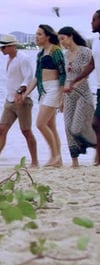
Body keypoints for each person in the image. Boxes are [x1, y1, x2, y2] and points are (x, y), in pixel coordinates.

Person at [0, 34, 38, 170]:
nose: (1, 50)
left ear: (11, 46)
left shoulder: (23, 58)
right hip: (9, 100)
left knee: (26, 131)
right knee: (1, 130)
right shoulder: (10, 59)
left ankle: (35, 162)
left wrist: (19, 92)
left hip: (23, 100)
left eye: (3, 47)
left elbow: (29, 78)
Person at [21, 24, 66, 168]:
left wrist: (61, 97)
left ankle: (55, 156)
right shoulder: (40, 54)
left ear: (47, 36)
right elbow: (37, 77)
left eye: (40, 34)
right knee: (51, 125)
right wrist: (26, 94)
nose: (37, 37)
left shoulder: (56, 51)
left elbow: (63, 74)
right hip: (44, 90)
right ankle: (57, 159)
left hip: (54, 88)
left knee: (40, 124)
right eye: (36, 34)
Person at [58, 26, 97, 167]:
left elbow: (88, 72)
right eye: (59, 39)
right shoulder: (65, 55)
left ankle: (96, 146)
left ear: (70, 36)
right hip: (68, 94)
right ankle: (75, 162)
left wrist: (75, 83)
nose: (61, 42)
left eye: (63, 38)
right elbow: (64, 77)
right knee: (68, 127)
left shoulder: (85, 52)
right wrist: (61, 99)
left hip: (83, 93)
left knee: (77, 128)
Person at [69, 10, 100, 165]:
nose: (91, 23)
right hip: (99, 89)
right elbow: (92, 64)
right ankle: (98, 160)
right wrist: (76, 79)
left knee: (95, 123)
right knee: (96, 124)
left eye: (94, 19)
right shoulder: (95, 40)